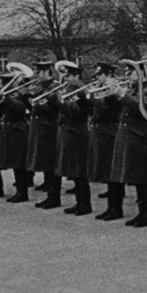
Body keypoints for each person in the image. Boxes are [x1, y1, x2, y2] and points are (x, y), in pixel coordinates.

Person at [109, 63, 147, 228]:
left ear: (141, 74)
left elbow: (145, 108)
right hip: (131, 136)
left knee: (145, 177)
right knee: (137, 177)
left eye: (131, 74)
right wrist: (113, 94)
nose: (128, 77)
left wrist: (123, 94)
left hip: (142, 136)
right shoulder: (134, 90)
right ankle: (141, 212)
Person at [86, 62, 124, 221]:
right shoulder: (103, 90)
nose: (97, 78)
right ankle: (111, 206)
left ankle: (117, 208)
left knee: (112, 171)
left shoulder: (113, 90)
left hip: (110, 131)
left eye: (100, 75)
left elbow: (110, 109)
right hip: (102, 132)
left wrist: (91, 98)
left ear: (108, 75)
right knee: (107, 171)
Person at [24, 61, 63, 209]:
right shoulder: (41, 87)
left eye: (39, 72)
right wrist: (26, 98)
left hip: (50, 129)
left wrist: (39, 103)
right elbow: (34, 109)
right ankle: (50, 195)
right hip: (40, 129)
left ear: (47, 72)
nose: (36, 75)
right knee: (46, 163)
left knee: (52, 163)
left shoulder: (54, 87)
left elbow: (53, 110)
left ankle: (54, 197)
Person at [56, 62, 92, 216]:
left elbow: (76, 112)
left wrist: (62, 101)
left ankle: (85, 204)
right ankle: (79, 202)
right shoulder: (70, 89)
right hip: (70, 131)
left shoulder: (82, 90)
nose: (66, 77)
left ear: (77, 75)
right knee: (74, 171)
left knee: (80, 171)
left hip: (78, 132)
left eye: (69, 75)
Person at [0, 73, 30, 203]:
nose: (1, 86)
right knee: (14, 163)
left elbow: (21, 109)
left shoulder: (19, 93)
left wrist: (6, 96)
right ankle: (19, 191)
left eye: (3, 83)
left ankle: (23, 193)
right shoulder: (9, 95)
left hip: (18, 129)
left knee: (19, 162)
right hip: (9, 129)